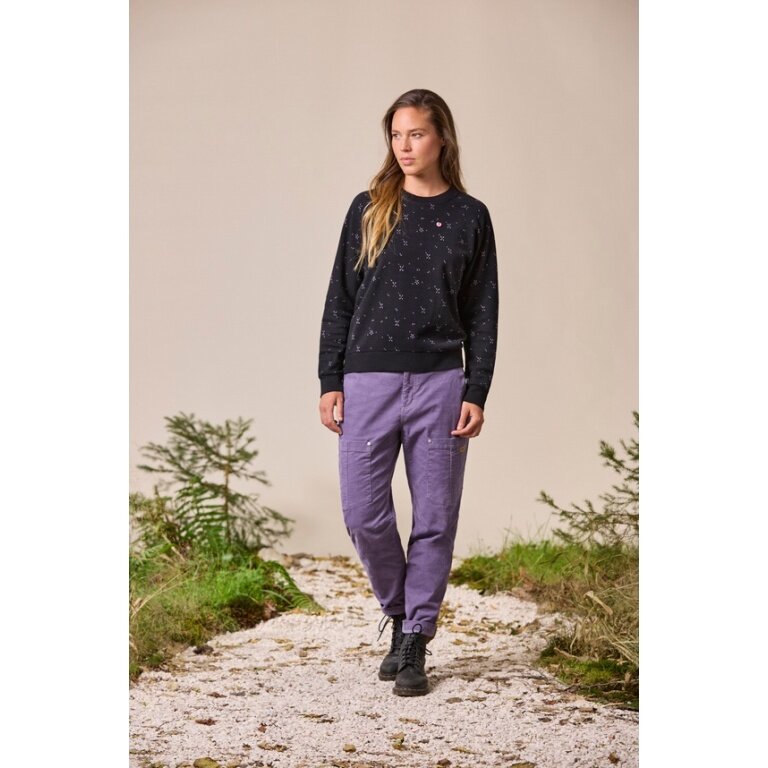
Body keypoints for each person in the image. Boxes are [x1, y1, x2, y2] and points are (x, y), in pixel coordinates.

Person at [317, 88, 499, 697]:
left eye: (415, 134)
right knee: (363, 514)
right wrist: (330, 379)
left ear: (441, 137)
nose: (404, 146)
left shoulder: (470, 216)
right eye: (396, 135)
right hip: (367, 379)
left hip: (442, 383)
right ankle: (400, 615)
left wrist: (477, 388)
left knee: (436, 517)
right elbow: (340, 298)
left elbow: (483, 312)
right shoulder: (369, 208)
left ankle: (416, 638)